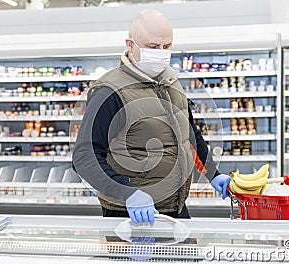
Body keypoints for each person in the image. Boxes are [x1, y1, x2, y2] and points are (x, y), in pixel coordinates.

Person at [72, 9, 230, 225]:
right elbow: (84, 157)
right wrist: (127, 192)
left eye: (167, 46)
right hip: (130, 212)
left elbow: (190, 133)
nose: (161, 53)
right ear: (130, 45)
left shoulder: (171, 81)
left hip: (175, 206)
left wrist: (213, 173)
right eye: (153, 47)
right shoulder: (109, 91)